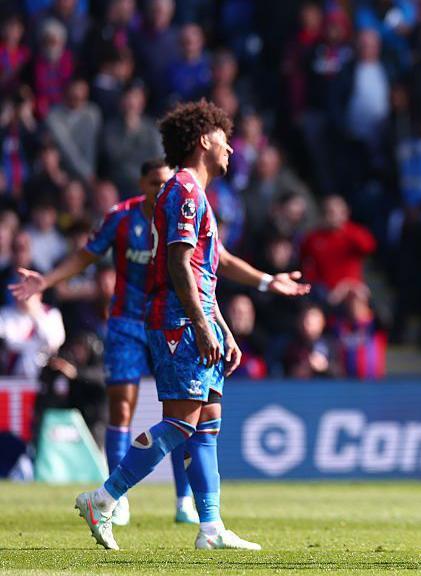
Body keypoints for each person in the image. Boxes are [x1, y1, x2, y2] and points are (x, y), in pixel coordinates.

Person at [14, 158, 308, 526]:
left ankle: (184, 501)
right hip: (127, 323)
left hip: (172, 321)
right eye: (154, 182)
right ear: (141, 183)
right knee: (123, 408)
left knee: (187, 413)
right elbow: (86, 254)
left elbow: (217, 263)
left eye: (165, 182)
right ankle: (116, 501)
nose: (160, 189)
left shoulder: (183, 212)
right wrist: (47, 281)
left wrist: (265, 282)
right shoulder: (122, 216)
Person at [71, 101, 303, 551]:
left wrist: (222, 328)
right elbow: (178, 264)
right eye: (225, 138)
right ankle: (104, 498)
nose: (232, 149)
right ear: (204, 140)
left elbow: (203, 271)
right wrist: (200, 322)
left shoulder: (197, 194)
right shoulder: (183, 190)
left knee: (207, 423)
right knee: (180, 424)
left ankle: (210, 527)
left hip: (195, 318)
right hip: (178, 321)